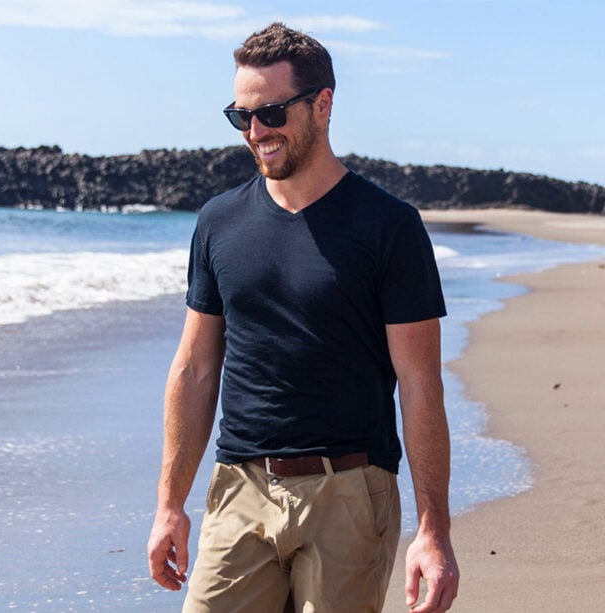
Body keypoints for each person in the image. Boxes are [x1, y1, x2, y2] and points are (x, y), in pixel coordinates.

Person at [146, 22, 459, 613]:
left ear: (322, 104)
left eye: (271, 113)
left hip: (349, 492)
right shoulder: (218, 222)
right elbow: (193, 370)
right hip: (238, 488)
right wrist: (169, 505)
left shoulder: (389, 227)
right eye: (242, 117)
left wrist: (433, 532)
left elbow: (420, 385)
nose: (256, 132)